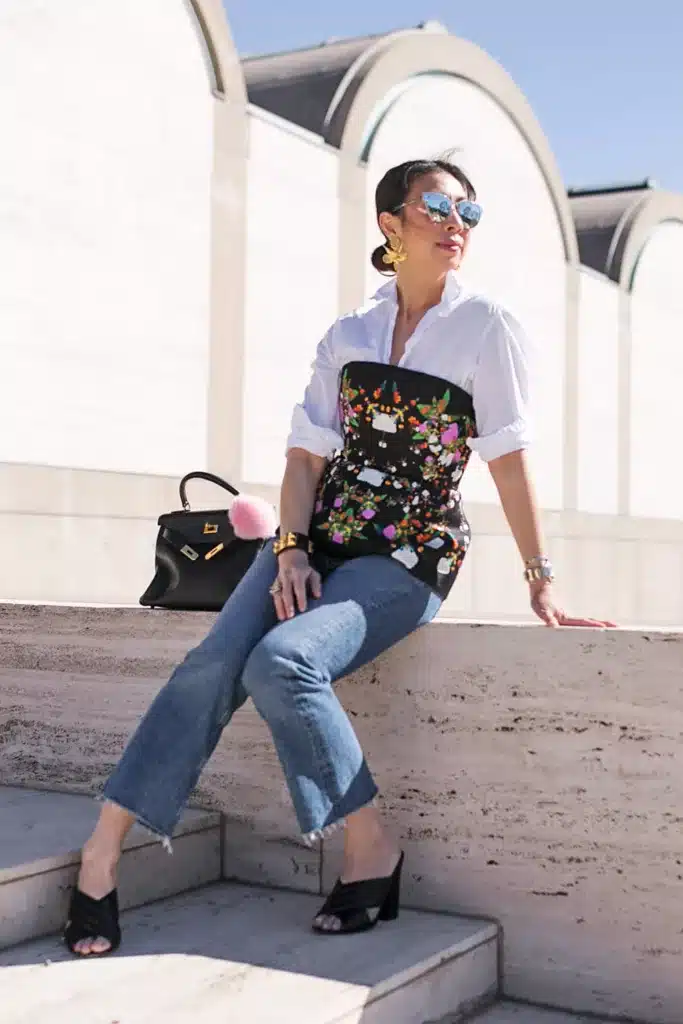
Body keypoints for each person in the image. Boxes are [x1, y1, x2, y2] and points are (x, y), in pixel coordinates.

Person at [64, 157, 614, 957]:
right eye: (435, 205)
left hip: (406, 557)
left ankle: (370, 843)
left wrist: (542, 581)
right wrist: (288, 551)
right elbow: (302, 458)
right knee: (212, 664)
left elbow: (507, 457)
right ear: (392, 224)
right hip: (314, 540)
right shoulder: (347, 333)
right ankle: (100, 856)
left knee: (284, 661)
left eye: (467, 211)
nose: (455, 222)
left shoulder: (484, 326)